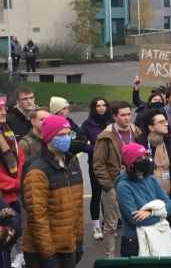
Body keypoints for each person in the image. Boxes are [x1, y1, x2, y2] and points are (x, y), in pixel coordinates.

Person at [22, 114, 83, 268]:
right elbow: (37, 217)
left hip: (68, 245)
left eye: (69, 134)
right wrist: (48, 255)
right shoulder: (37, 170)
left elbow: (78, 207)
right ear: (49, 137)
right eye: (61, 135)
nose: (67, 138)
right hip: (44, 252)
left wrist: (79, 240)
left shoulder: (72, 163)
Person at [92, 101, 140, 257]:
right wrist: (108, 186)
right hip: (113, 183)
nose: (127, 118)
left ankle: (133, 254)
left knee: (135, 219)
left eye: (129, 114)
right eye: (123, 115)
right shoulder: (106, 136)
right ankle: (110, 256)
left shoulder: (136, 131)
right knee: (111, 224)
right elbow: (98, 164)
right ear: (114, 116)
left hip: (134, 182)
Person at [135, 110, 171, 244]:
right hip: (147, 202)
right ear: (151, 127)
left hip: (169, 200)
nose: (166, 124)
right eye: (161, 122)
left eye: (166, 121)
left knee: (170, 241)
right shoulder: (140, 145)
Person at [115, 143, 171, 257]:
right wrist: (162, 214)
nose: (145, 160)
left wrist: (151, 212)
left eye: (146, 156)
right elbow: (135, 219)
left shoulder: (151, 179)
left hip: (157, 237)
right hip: (134, 241)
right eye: (140, 158)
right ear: (131, 164)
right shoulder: (123, 186)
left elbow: (170, 205)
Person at [82, 97, 112, 240]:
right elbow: (81, 144)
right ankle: (96, 225)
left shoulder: (112, 121)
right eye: (98, 106)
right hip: (96, 163)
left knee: (111, 193)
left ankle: (109, 221)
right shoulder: (88, 124)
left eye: (104, 105)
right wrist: (96, 149)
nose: (101, 108)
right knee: (96, 194)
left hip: (112, 164)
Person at [0, 96, 22, 268]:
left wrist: (19, 178)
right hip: (4, 195)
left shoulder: (7, 130)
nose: (3, 111)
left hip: (13, 195)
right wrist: (15, 183)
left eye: (4, 107)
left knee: (8, 242)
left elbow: (19, 155)